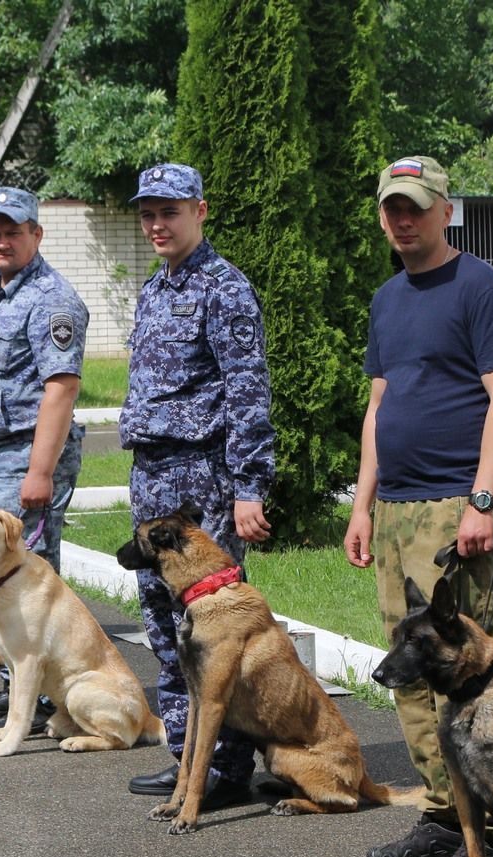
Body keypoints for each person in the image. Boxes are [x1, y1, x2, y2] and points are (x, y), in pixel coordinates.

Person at [343, 155, 493, 857]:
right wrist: (362, 503)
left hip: (456, 508)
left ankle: (486, 834)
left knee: (469, 678)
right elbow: (380, 405)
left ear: (445, 209)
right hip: (396, 510)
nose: (403, 218)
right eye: (392, 207)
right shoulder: (388, 298)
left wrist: (481, 501)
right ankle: (445, 819)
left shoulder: (480, 288)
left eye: (416, 205)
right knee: (410, 676)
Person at [119, 162, 274, 809]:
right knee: (163, 623)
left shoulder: (224, 288)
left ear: (200, 211)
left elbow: (247, 390)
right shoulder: (156, 288)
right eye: (149, 213)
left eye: (170, 211)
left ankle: (225, 770)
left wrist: (249, 486)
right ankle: (189, 757)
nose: (158, 223)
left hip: (203, 476)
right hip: (152, 472)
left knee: (212, 628)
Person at [0, 187, 88, 729]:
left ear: (37, 234)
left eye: (13, 230)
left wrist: (40, 471)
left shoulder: (51, 298)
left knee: (20, 581)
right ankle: (19, 686)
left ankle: (33, 695)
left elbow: (60, 388)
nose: (1, 241)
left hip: (21, 454)